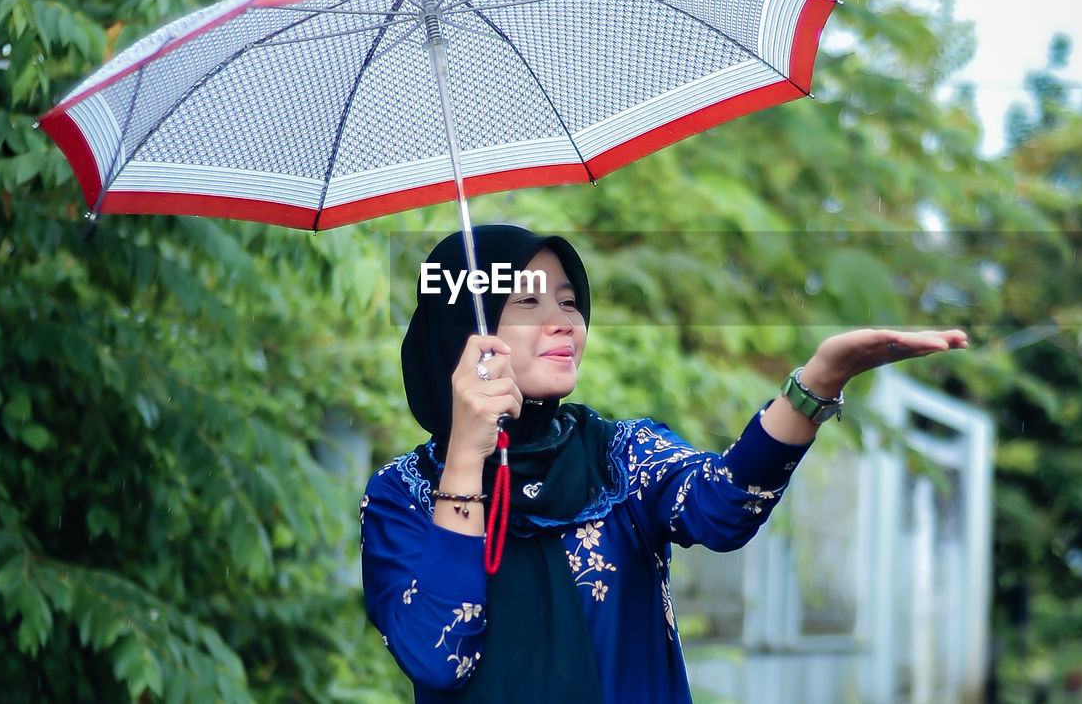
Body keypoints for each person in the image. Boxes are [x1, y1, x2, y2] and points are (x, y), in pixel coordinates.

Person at [359, 225, 967, 703]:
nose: (564, 322)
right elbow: (440, 660)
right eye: (527, 301)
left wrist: (816, 383)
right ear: (465, 326)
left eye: (570, 301)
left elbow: (724, 506)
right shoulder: (401, 496)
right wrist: (466, 455)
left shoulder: (619, 457)